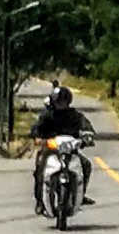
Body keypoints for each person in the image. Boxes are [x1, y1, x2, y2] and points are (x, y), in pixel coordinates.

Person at [27, 83, 94, 214]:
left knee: (86, 165)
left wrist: (87, 136)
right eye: (59, 101)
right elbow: (36, 128)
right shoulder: (48, 115)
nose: (61, 104)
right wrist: (37, 136)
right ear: (54, 101)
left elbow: (86, 127)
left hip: (71, 150)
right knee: (40, 167)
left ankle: (81, 193)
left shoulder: (75, 115)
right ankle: (40, 201)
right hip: (50, 150)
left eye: (64, 101)